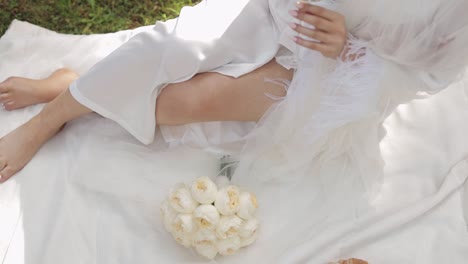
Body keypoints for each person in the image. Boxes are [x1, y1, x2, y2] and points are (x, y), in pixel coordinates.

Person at [0, 0, 348, 182]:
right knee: (171, 45)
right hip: (273, 6)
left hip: (329, 65)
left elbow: (401, 64)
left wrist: (346, 47)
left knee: (180, 102)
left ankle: (71, 88)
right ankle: (50, 117)